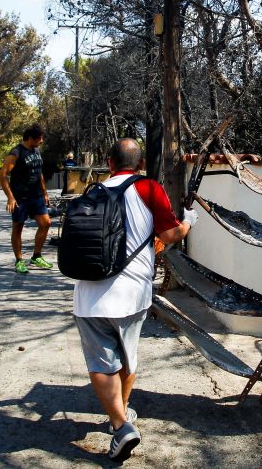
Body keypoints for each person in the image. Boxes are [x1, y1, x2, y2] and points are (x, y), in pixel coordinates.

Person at [73, 138, 197, 461]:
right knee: (127, 358)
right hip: (133, 294)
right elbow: (171, 235)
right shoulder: (149, 189)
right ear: (140, 165)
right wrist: (188, 222)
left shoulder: (94, 191)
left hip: (90, 295)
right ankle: (121, 421)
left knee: (101, 362)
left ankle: (120, 422)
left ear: (109, 164)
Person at [0, 124, 54, 274]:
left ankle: (36, 256)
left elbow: (39, 172)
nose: (41, 141)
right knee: (18, 228)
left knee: (46, 223)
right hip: (20, 198)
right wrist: (10, 198)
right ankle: (19, 260)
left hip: (36, 196)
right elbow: (2, 176)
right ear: (30, 138)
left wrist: (44, 192)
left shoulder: (36, 150)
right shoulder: (16, 153)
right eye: (39, 138)